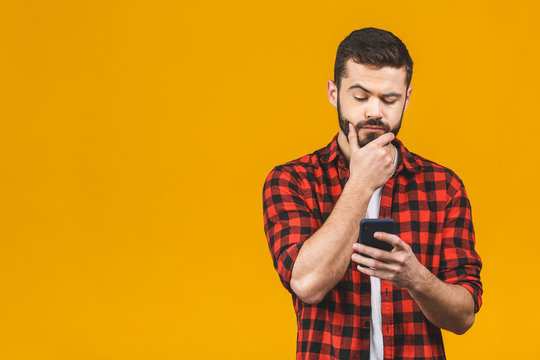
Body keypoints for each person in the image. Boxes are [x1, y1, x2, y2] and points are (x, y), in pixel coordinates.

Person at [262, 27, 482, 360]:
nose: (374, 112)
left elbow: (464, 315)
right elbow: (307, 284)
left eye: (389, 99)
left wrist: (415, 277)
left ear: (407, 98)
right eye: (361, 97)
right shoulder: (292, 181)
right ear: (334, 93)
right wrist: (361, 184)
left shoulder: (443, 187)